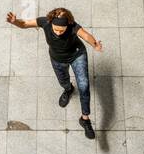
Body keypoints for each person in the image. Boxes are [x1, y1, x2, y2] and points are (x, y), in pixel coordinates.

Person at [6, 8, 101, 138]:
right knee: (63, 81)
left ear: (68, 24)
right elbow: (24, 24)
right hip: (57, 58)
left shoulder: (73, 26)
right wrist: (15, 21)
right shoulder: (45, 22)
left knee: (84, 85)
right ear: (51, 23)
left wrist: (94, 44)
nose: (58, 33)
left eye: (61, 30)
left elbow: (85, 35)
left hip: (77, 54)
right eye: (55, 29)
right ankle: (68, 89)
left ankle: (85, 119)